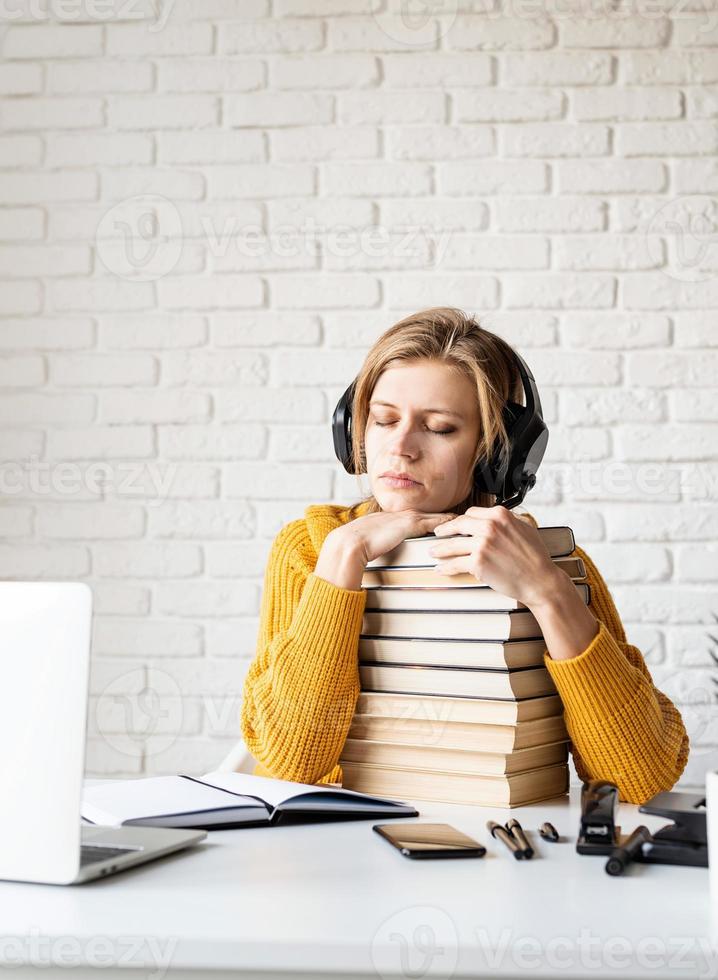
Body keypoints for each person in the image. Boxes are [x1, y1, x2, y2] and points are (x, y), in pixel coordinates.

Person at [240, 307, 689, 805]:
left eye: (439, 428)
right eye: (384, 420)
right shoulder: (311, 548)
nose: (401, 448)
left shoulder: (551, 561)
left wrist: (546, 591)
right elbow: (290, 762)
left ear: (496, 454)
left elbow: (639, 776)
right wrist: (342, 559)